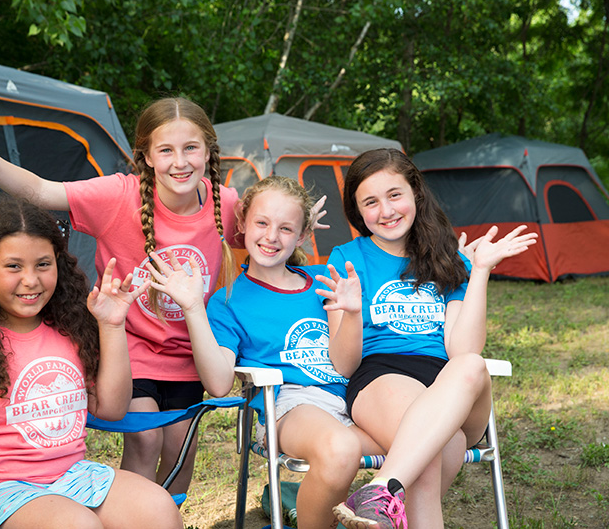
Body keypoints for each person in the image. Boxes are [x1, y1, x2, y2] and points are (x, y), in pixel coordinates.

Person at [0, 93, 243, 495]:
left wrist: (299, 226)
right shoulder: (119, 195)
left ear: (208, 151)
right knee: (146, 437)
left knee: (180, 448)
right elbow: (42, 192)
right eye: (166, 150)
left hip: (190, 353)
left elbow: (264, 240)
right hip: (131, 349)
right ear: (148, 156)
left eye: (191, 148)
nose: (180, 161)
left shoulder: (227, 203)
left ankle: (163, 519)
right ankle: (131, 515)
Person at [0, 197, 182, 529]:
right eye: (13, 266)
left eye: (43, 264)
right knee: (76, 526)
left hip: (70, 477)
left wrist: (111, 327)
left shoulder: (69, 326)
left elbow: (111, 409)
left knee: (159, 509)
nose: (31, 280)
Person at [145, 176, 383, 529]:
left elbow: (345, 364)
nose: (271, 237)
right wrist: (195, 308)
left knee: (421, 437)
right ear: (242, 224)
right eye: (262, 223)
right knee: (342, 448)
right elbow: (219, 382)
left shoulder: (323, 280)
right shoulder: (229, 301)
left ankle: (354, 505)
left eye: (286, 228)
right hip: (289, 407)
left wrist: (351, 313)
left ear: (302, 236)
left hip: (351, 401)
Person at [321, 148, 537, 529]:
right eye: (370, 202)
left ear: (416, 194)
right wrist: (352, 314)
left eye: (394, 195)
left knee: (471, 364)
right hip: (381, 378)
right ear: (357, 212)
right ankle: (387, 489)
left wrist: (480, 271)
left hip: (450, 386)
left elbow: (463, 350)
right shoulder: (347, 258)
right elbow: (343, 364)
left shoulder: (445, 258)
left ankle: (380, 489)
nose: (386, 210)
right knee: (432, 453)